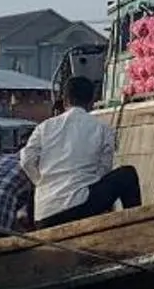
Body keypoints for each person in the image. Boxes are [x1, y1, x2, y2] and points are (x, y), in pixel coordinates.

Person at [21, 77, 142, 229]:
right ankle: (136, 227)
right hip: (80, 207)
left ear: (65, 101)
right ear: (92, 101)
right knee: (127, 174)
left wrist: (41, 181)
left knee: (38, 191)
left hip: (44, 216)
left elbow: (26, 160)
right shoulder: (102, 128)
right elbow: (104, 170)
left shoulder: (44, 127)